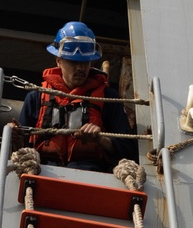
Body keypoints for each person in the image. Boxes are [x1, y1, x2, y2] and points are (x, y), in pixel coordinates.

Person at [17, 21, 130, 174]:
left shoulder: (108, 98)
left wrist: (100, 139)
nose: (80, 68)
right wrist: (14, 135)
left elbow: (127, 148)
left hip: (92, 174)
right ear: (58, 60)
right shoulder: (36, 97)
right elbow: (21, 148)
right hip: (42, 171)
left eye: (85, 62)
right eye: (73, 61)